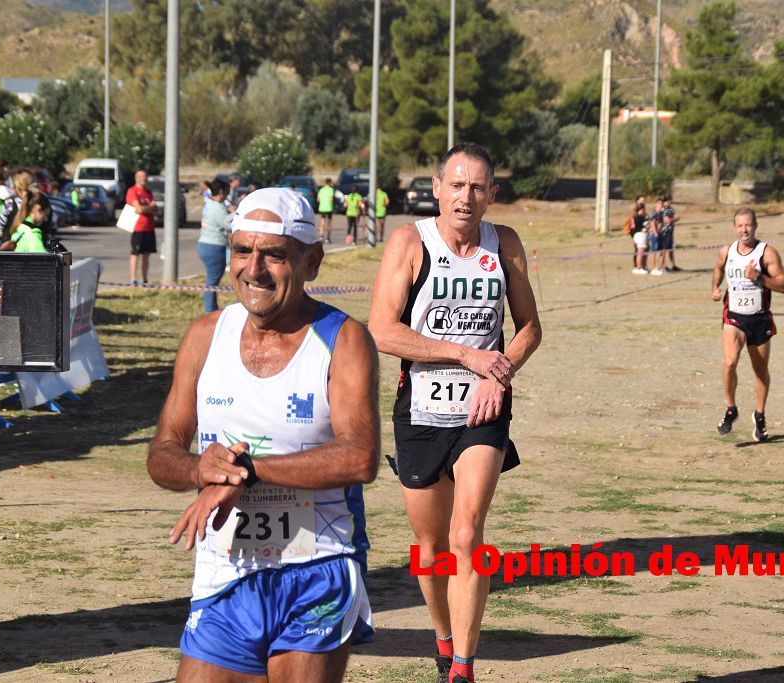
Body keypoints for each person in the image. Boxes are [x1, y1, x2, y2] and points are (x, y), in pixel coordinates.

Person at [147, 187, 380, 682]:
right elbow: (162, 453)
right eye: (242, 251)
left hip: (317, 565)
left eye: (273, 254)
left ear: (312, 260)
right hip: (225, 573)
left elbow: (360, 456)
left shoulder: (344, 339)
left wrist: (247, 473)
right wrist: (198, 468)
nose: (254, 269)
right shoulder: (205, 336)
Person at [368, 142, 542, 683]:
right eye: (457, 185)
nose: (466, 197)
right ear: (438, 189)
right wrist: (467, 355)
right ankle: (443, 636)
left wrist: (498, 371)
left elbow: (530, 329)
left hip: (483, 410)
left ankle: (463, 666)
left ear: (492, 195)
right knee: (431, 546)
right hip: (419, 407)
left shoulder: (504, 244)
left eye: (478, 187)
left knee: (467, 534)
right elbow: (382, 330)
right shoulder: (408, 243)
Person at [711, 207, 784, 442]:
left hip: (759, 317)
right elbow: (718, 269)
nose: (744, 229)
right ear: (734, 227)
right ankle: (731, 409)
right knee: (729, 362)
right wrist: (715, 287)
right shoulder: (727, 251)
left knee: (760, 371)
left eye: (748, 225)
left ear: (755, 226)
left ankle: (760, 415)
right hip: (734, 315)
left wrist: (759, 278)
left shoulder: (767, 253)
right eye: (740, 225)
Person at [197, 179, 229, 313]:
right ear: (221, 191)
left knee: (211, 280)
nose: (228, 195)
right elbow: (229, 225)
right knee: (212, 282)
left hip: (204, 244)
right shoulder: (218, 208)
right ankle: (209, 311)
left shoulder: (209, 203)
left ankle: (211, 308)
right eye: (227, 192)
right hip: (214, 246)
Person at [126, 169, 157, 284]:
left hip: (149, 227)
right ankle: (133, 279)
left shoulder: (148, 192)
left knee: (146, 254)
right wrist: (149, 208)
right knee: (135, 253)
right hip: (138, 227)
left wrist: (147, 208)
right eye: (140, 176)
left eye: (145, 176)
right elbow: (138, 209)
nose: (143, 179)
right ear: (136, 178)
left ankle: (144, 279)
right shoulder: (132, 191)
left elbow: (156, 208)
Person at [662, 195, 681, 271]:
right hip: (664, 231)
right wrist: (673, 219)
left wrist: (671, 219)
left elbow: (677, 217)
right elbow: (666, 220)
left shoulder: (671, 208)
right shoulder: (663, 209)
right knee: (664, 249)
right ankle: (663, 265)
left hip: (670, 231)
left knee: (671, 249)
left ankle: (673, 265)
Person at [630, 206, 650, 275]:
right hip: (640, 235)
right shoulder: (638, 218)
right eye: (641, 210)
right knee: (640, 252)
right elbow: (646, 226)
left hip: (640, 236)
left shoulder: (640, 217)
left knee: (644, 251)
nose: (643, 211)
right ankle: (639, 267)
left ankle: (642, 266)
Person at [317, 178, 335, 244]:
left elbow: (318, 200)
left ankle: (321, 236)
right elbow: (331, 199)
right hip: (329, 208)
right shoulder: (331, 190)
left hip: (322, 208)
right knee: (329, 223)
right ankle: (328, 238)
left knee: (322, 222)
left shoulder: (321, 190)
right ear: (330, 183)